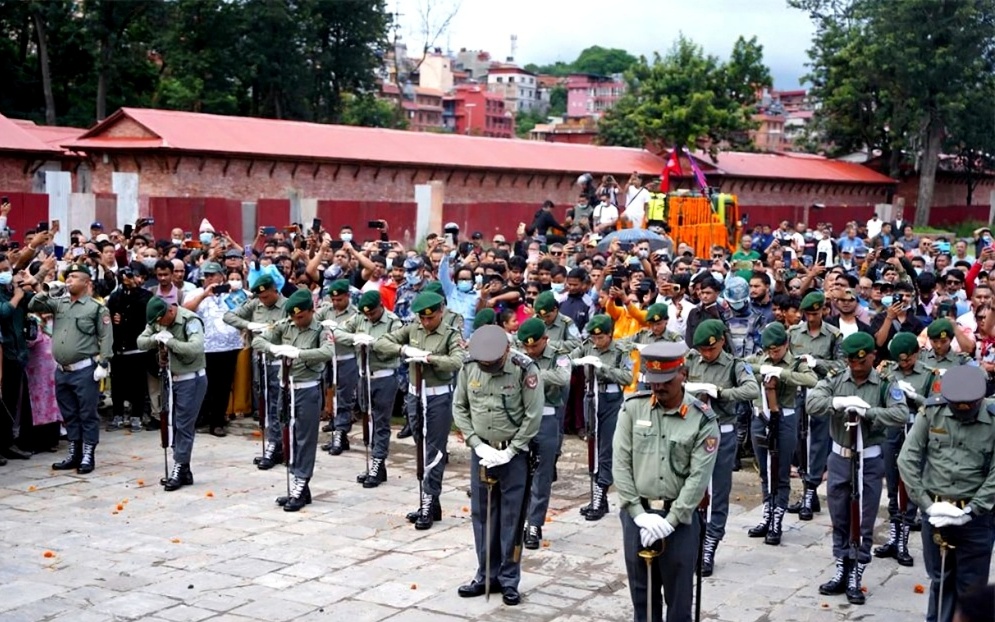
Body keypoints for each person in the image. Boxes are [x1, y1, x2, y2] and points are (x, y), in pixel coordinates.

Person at [613, 341, 719, 622]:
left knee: (679, 602)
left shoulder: (702, 419)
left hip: (680, 522)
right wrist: (637, 513)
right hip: (638, 519)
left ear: (682, 373)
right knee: (642, 601)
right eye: (653, 381)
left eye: (665, 382)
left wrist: (671, 520)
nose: (658, 388)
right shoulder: (633, 408)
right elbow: (621, 465)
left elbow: (699, 478)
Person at [807, 332, 906, 605]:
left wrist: (869, 412)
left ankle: (857, 571)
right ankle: (842, 568)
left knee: (862, 519)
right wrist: (836, 404)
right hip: (840, 457)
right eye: (852, 360)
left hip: (869, 459)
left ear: (873, 356)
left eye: (862, 360)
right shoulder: (837, 379)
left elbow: (900, 414)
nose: (857, 365)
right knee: (839, 516)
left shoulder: (886, 383)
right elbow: (812, 403)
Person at [452, 324, 542, 606]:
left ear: (506, 350)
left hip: (512, 456)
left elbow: (533, 414)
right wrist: (475, 443)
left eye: (493, 363)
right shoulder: (469, 367)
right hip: (482, 452)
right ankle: (485, 575)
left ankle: (509, 579)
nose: (488, 367)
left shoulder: (524, 369)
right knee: (482, 517)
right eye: (484, 364)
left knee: (512, 519)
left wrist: (513, 449)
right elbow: (460, 407)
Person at [898, 365, 995, 622]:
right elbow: (907, 459)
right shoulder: (933, 412)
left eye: (970, 407)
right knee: (940, 582)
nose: (963, 413)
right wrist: (927, 505)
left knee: (971, 590)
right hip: (937, 514)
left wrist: (971, 510)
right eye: (957, 407)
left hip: (975, 517)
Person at [374, 291, 465, 529]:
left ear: (440, 312)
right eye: (422, 318)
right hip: (415, 395)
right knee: (421, 445)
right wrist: (404, 351)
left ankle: (427, 499)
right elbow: (382, 343)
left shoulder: (450, 334)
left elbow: (457, 361)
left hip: (437, 396)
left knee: (434, 449)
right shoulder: (412, 329)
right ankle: (431, 501)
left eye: (430, 318)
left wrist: (430, 359)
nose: (426, 322)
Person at [684, 319, 759, 576]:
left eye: (710, 349)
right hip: (691, 430)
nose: (706, 353)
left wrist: (721, 393)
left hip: (720, 431)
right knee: (690, 488)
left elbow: (751, 389)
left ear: (721, 342)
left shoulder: (735, 365)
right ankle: (691, 540)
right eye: (702, 349)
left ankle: (710, 545)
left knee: (717, 491)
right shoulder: (692, 358)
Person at [252, 289, 335, 511]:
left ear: (311, 310)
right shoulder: (285, 324)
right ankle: (299, 483)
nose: (297, 321)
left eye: (301, 317)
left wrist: (299, 354)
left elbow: (327, 352)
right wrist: (274, 348)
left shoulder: (321, 330)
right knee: (287, 434)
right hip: (285, 388)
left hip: (307, 389)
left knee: (304, 438)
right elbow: (258, 341)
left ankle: (301, 480)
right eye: (294, 317)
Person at [27, 263, 112, 474]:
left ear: (86, 282)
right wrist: (47, 291)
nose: (69, 280)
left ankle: (88, 454)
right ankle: (74, 452)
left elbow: (106, 336)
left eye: (74, 276)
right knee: (70, 413)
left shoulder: (96, 308)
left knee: (87, 414)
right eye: (68, 276)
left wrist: (103, 362)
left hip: (85, 369)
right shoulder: (60, 304)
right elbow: (33, 305)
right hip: (62, 370)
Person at [744, 322, 818, 545]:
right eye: (769, 350)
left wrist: (783, 374)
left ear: (786, 345)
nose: (772, 354)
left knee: (780, 470)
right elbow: (741, 366)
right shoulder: (760, 357)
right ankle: (767, 514)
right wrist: (762, 370)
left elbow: (811, 380)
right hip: (760, 416)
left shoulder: (796, 362)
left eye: (776, 349)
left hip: (784, 417)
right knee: (765, 470)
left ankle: (777, 518)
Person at [137, 297, 208, 491]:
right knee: (171, 423)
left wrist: (172, 342)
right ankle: (184, 468)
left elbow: (196, 347)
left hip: (190, 379)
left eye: (161, 321)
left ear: (170, 312)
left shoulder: (190, 321)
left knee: (183, 424)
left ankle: (179, 466)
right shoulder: (158, 320)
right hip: (169, 379)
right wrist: (155, 339)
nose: (159, 325)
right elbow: (141, 341)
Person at [874, 332, 933, 567]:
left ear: (916, 355)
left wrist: (915, 397)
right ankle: (893, 536)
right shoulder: (888, 371)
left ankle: (904, 541)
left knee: (909, 486)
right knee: (892, 485)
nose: (904, 363)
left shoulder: (928, 374)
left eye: (908, 359)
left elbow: (935, 405)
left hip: (915, 432)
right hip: (892, 431)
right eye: (900, 360)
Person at [333, 290, 402, 487]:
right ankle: (375, 464)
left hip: (384, 376)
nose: (369, 317)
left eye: (373, 313)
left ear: (381, 305)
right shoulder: (360, 318)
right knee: (367, 419)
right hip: (364, 376)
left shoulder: (393, 321)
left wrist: (374, 343)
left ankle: (378, 460)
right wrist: (355, 339)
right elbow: (337, 332)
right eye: (367, 314)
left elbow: (395, 344)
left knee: (380, 421)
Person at [568, 314, 634, 521]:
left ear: (610, 334)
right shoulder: (588, 346)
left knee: (607, 448)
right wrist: (579, 361)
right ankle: (598, 497)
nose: (597, 342)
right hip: (591, 397)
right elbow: (568, 359)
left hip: (611, 398)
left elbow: (627, 376)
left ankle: (600, 492)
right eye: (594, 338)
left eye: (601, 338)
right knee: (593, 447)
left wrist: (602, 368)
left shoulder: (619, 351)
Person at [515, 318, 571, 549]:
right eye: (526, 346)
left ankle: (535, 523)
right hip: (521, 418)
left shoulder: (559, 354)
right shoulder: (517, 353)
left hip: (547, 416)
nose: (530, 350)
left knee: (542, 473)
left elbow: (563, 378)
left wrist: (534, 374)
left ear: (545, 340)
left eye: (535, 346)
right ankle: (519, 520)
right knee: (519, 472)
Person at [222, 273, 287, 469]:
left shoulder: (288, 305)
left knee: (278, 404)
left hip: (279, 361)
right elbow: (228, 315)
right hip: (260, 360)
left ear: (274, 290)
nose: (263, 300)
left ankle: (277, 444)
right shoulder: (254, 304)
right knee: (265, 402)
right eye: (260, 297)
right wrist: (248, 324)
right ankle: (273, 443)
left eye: (266, 296)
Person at [788, 292, 842, 521]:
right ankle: (805, 486)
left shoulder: (833, 335)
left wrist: (817, 363)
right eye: (808, 313)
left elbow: (841, 365)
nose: (812, 318)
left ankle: (811, 489)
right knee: (799, 440)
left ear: (824, 311)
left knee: (818, 441)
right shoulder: (793, 333)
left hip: (820, 392)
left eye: (816, 313)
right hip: (797, 391)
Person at [183, 261, 242, 436]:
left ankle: (218, 421)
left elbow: (244, 309)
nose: (209, 278)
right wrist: (204, 295)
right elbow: (185, 311)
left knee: (223, 386)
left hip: (230, 346)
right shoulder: (195, 293)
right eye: (206, 275)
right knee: (205, 385)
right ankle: (203, 416)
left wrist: (235, 291)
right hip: (205, 347)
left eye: (212, 275)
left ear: (221, 276)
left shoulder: (231, 293)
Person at [106, 262, 154, 432]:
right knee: (117, 384)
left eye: (132, 276)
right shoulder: (116, 295)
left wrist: (133, 288)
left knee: (138, 385)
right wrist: (114, 318)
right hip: (119, 347)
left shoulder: (146, 295)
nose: (128, 279)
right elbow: (110, 311)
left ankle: (137, 416)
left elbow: (143, 311)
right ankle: (118, 414)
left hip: (138, 347)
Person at [315, 279, 359, 455]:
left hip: (346, 358)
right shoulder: (326, 310)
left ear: (347, 296)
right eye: (333, 300)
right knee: (331, 396)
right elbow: (314, 322)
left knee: (344, 397)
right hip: (328, 358)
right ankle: (338, 431)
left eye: (339, 299)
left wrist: (338, 334)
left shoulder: (355, 313)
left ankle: (340, 432)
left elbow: (357, 336)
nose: (335, 303)